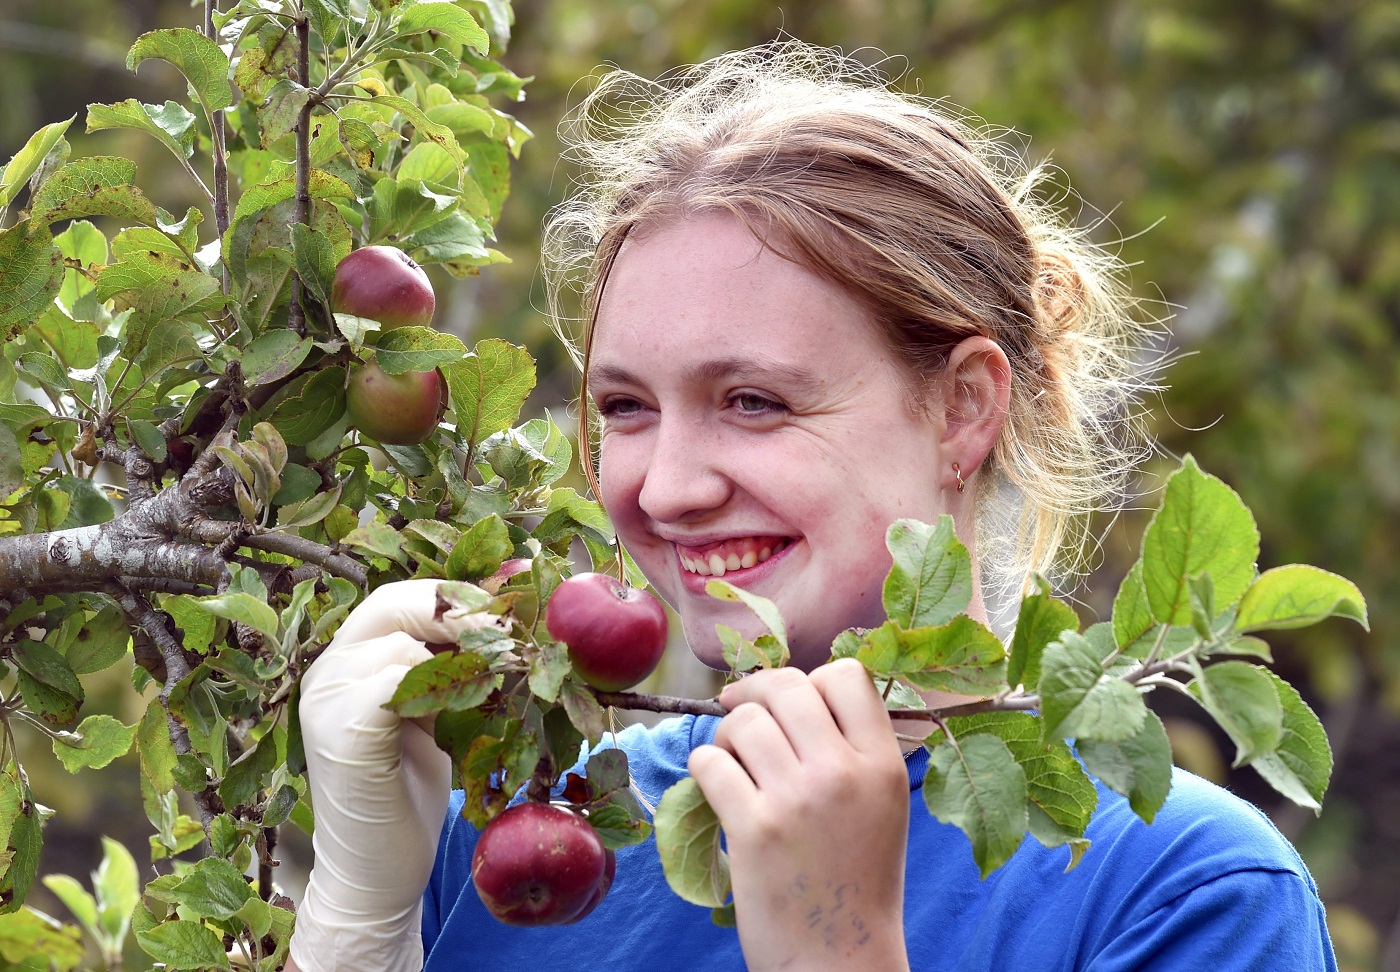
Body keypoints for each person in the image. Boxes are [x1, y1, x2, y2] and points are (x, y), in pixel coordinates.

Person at [285, 42, 1337, 972]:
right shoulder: (534, 837)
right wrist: (354, 923)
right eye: (624, 407)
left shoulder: (1181, 898)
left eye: (752, 401)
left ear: (962, 408)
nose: (665, 487)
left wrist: (835, 951)